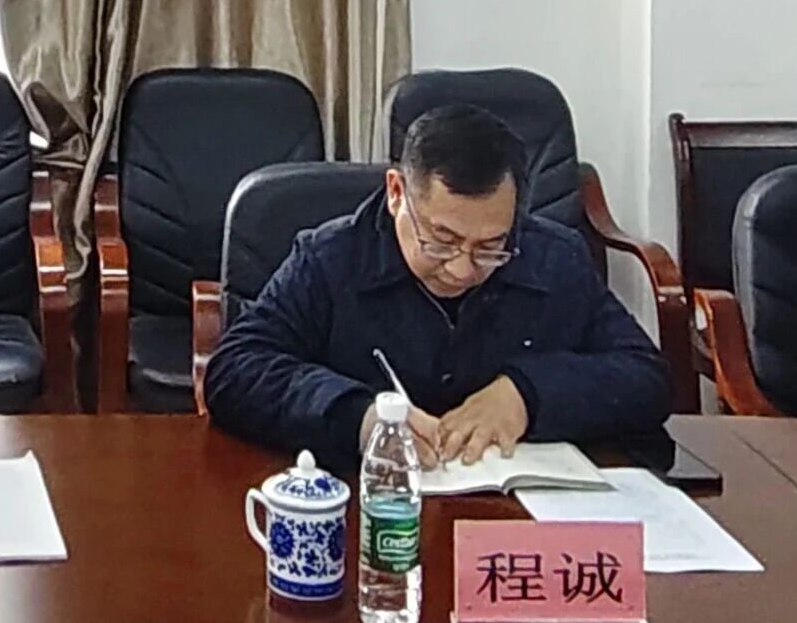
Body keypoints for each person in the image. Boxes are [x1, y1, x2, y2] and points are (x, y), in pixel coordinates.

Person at [203, 104, 675, 472]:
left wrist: (527, 395)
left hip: (511, 522)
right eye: (441, 241)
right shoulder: (330, 260)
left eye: (490, 246)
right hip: (368, 510)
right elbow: (235, 371)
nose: (462, 269)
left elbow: (647, 379)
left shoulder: (555, 258)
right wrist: (359, 417)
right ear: (396, 193)